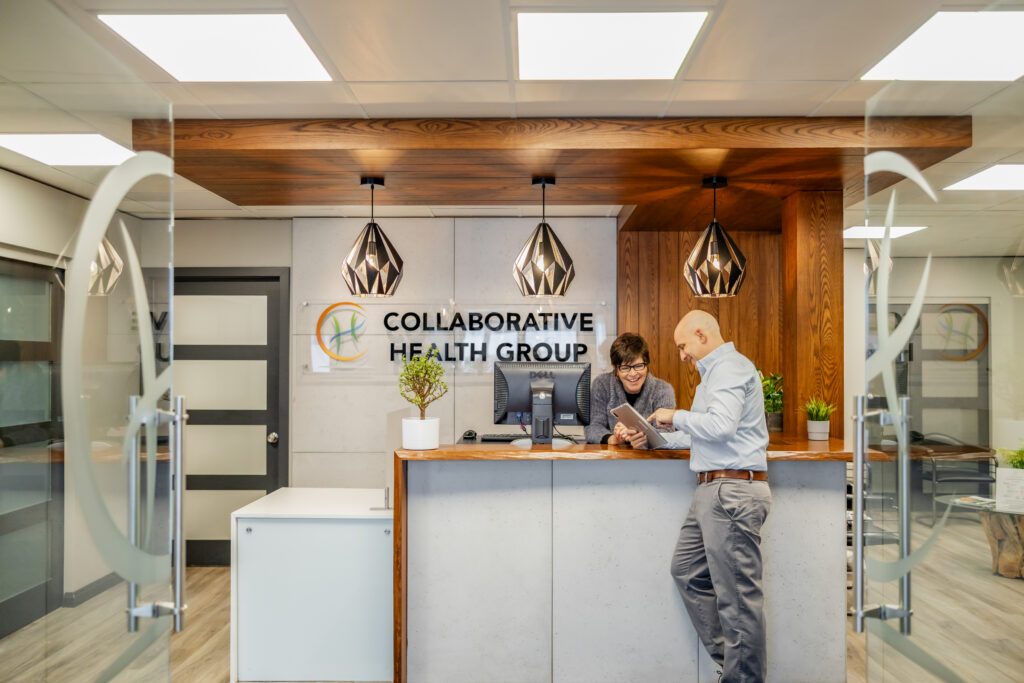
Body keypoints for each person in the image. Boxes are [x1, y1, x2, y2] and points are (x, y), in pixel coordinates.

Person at [627, 310, 771, 683]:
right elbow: (703, 434)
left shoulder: (730, 368)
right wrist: (654, 440)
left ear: (701, 334)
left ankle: (742, 678)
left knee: (739, 602)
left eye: (683, 346)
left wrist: (676, 416)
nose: (682, 355)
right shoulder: (713, 377)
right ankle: (735, 666)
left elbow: (720, 427)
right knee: (687, 571)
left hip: (732, 491)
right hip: (712, 490)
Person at [583, 332, 674, 445]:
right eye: (625, 368)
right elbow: (593, 427)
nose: (633, 373)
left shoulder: (663, 390)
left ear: (647, 364)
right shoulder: (602, 384)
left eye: (638, 366)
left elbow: (667, 433)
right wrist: (614, 438)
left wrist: (637, 435)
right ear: (615, 369)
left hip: (650, 459)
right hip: (613, 458)